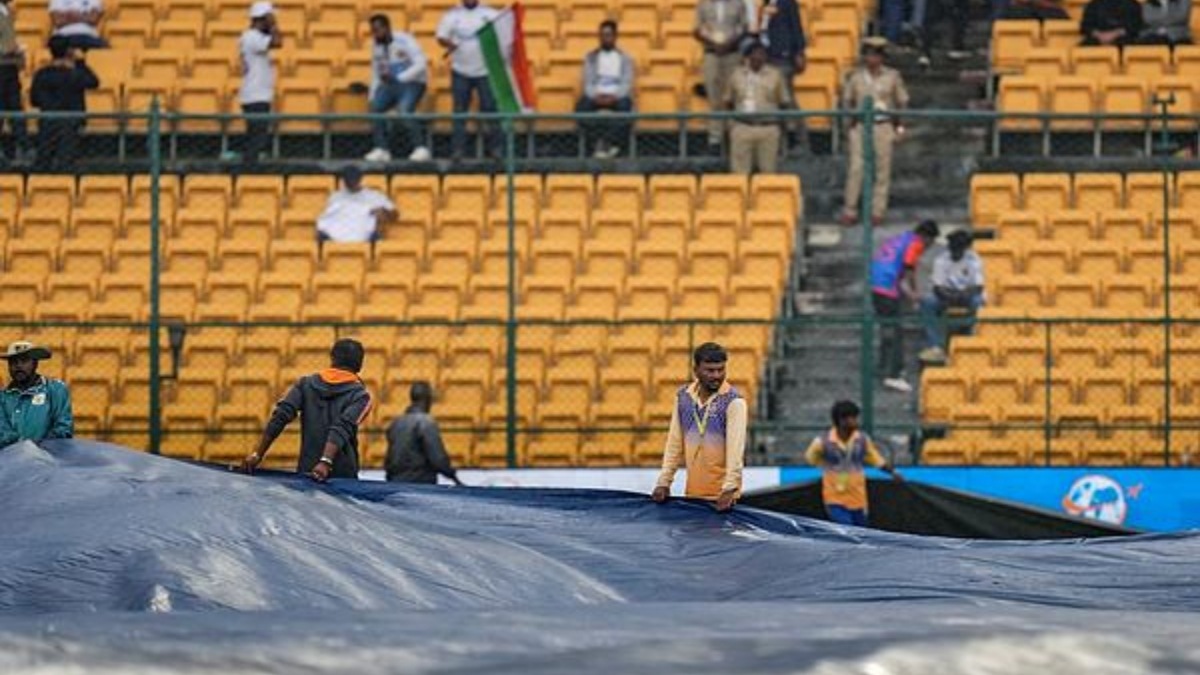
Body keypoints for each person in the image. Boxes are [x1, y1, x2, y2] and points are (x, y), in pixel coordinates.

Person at [241, 338, 373, 482]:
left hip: (307, 472)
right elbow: (342, 426)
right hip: (343, 477)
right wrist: (325, 462)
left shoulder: (305, 384)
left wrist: (257, 454)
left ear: (332, 358)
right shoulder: (361, 396)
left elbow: (280, 416)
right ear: (360, 365)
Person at [651, 342, 747, 513]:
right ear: (696, 370)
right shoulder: (683, 397)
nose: (716, 376)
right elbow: (674, 443)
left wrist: (730, 488)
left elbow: (736, 450)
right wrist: (664, 482)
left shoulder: (734, 402)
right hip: (693, 495)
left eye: (721, 370)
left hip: (723, 499)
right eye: (710, 370)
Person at [839, 38, 909, 227]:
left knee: (882, 169)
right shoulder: (855, 77)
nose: (873, 59)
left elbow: (901, 102)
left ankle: (877, 211)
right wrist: (849, 124)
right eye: (869, 55)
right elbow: (848, 101)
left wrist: (900, 126)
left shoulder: (893, 76)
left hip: (883, 125)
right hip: (861, 125)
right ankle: (850, 209)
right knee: (856, 168)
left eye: (876, 55)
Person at [804, 400, 902, 527]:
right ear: (839, 420)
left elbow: (876, 460)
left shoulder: (862, 440)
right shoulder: (822, 442)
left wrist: (892, 472)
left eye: (855, 417)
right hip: (835, 497)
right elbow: (811, 458)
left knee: (861, 532)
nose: (854, 421)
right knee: (846, 528)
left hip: (858, 498)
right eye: (849, 418)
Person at [870, 219, 940, 393]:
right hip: (887, 288)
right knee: (896, 331)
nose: (928, 247)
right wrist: (914, 294)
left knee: (887, 328)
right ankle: (895, 374)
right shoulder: (916, 243)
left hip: (876, 285)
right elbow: (909, 268)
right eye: (930, 243)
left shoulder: (901, 239)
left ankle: (882, 367)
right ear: (926, 237)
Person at [436, 0, 500, 160]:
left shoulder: (491, 14)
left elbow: (503, 35)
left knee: (490, 110)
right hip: (460, 71)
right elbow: (441, 37)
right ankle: (458, 150)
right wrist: (449, 43)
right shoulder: (452, 15)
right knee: (459, 112)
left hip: (485, 71)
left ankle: (497, 149)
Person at [363, 14, 431, 163]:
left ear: (387, 28)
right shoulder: (376, 46)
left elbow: (421, 64)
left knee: (405, 110)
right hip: (391, 84)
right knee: (375, 108)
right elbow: (376, 71)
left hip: (414, 82)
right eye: (372, 30)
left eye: (378, 30)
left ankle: (420, 148)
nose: (375, 34)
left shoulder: (405, 40)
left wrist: (401, 78)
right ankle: (382, 149)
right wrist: (372, 94)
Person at [30, 36, 97, 171]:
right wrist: (81, 63)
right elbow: (93, 82)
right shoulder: (75, 74)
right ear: (68, 52)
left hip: (47, 121)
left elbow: (34, 100)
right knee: (67, 161)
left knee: (43, 161)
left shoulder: (42, 74)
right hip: (70, 122)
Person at [918, 230, 985, 363]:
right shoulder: (941, 260)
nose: (956, 252)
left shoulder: (974, 259)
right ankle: (936, 345)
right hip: (946, 296)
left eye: (959, 248)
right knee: (928, 302)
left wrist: (963, 295)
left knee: (978, 302)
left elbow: (978, 286)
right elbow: (937, 287)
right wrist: (950, 296)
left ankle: (972, 339)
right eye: (953, 248)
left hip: (967, 295)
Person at [725, 40, 787, 175]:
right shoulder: (736, 75)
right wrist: (732, 124)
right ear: (748, 56)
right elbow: (728, 101)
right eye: (755, 53)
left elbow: (783, 102)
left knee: (768, 172)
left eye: (762, 54)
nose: (759, 57)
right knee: (739, 174)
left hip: (768, 127)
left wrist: (779, 125)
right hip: (742, 127)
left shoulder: (775, 75)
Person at [575, 20, 635, 159]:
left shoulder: (625, 58)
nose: (605, 38)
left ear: (615, 36)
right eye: (602, 35)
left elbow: (627, 82)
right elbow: (588, 82)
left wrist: (614, 97)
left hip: (617, 96)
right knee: (581, 108)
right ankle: (597, 142)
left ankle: (610, 143)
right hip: (596, 95)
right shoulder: (590, 58)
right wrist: (596, 96)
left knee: (626, 107)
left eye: (608, 35)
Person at [385, 381, 464, 485]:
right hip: (420, 483)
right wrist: (452, 476)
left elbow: (389, 459)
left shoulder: (396, 423)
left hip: (396, 483)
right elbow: (437, 458)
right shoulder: (426, 423)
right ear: (428, 400)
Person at [694, 0, 748, 153]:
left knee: (733, 96)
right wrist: (713, 43)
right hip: (711, 54)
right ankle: (715, 139)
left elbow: (744, 28)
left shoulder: (738, 4)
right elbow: (696, 30)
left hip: (732, 53)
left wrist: (729, 44)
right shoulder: (703, 4)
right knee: (714, 96)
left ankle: (734, 135)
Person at [232, 1, 281, 165]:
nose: (272, 21)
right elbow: (277, 42)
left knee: (257, 135)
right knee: (257, 137)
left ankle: (250, 163)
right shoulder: (252, 37)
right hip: (255, 95)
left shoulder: (252, 37)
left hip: (257, 94)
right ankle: (249, 166)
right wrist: (273, 25)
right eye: (269, 17)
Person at [0, 341, 73, 446]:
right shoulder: (2, 397)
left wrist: (40, 447)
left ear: (35, 363)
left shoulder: (56, 390)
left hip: (48, 458)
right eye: (13, 362)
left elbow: (63, 429)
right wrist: (23, 448)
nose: (18, 366)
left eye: (24, 360)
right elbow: (2, 432)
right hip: (11, 459)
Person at [758, 0, 806, 148]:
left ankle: (796, 134)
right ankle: (780, 136)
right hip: (767, 56)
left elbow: (796, 27)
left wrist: (798, 52)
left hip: (782, 56)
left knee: (786, 96)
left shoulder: (788, 3)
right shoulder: (764, 5)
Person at [315, 165, 397, 243]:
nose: (351, 183)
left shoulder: (374, 196)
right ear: (344, 181)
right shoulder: (336, 197)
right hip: (336, 239)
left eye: (353, 179)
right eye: (348, 180)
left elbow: (395, 214)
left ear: (359, 179)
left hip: (367, 239)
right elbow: (329, 219)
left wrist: (383, 212)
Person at [0, 0, 29, 162]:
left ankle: (21, 147)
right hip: (2, 67)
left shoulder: (7, 12)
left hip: (9, 68)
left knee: (15, 110)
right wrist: (8, 50)